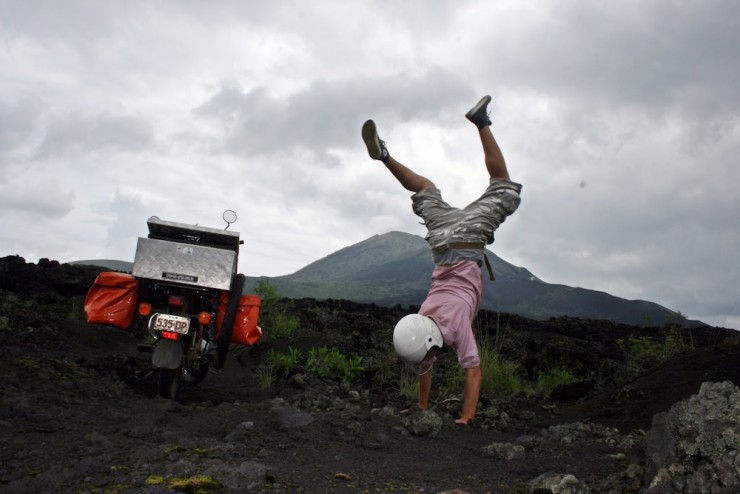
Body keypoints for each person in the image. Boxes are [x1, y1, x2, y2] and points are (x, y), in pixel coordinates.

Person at [361, 95, 522, 425]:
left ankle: (481, 123)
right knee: (425, 188)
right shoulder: (422, 318)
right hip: (442, 244)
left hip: (464, 242)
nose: (431, 357)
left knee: (504, 187)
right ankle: (386, 156)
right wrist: (421, 409)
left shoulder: (456, 326)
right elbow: (426, 363)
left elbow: (473, 373)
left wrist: (465, 419)